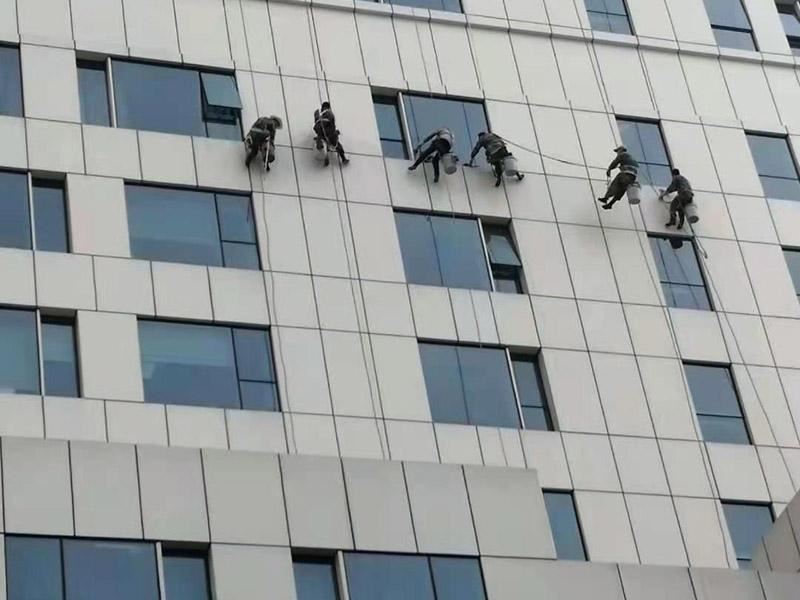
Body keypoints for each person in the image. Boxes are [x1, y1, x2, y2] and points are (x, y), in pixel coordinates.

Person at [597, 145, 639, 209]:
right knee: (621, 190)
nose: (617, 153)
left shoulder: (622, 154)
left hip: (625, 174)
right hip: (632, 178)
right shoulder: (630, 157)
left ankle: (606, 198)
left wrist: (609, 169)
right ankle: (610, 204)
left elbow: (615, 162)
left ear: (621, 150)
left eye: (617, 151)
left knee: (615, 184)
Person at [313, 101, 349, 167]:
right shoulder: (327, 114)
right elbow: (329, 125)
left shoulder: (326, 114)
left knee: (332, 145)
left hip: (326, 133)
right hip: (328, 133)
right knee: (335, 145)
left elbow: (317, 127)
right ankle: (342, 158)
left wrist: (319, 133)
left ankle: (341, 158)